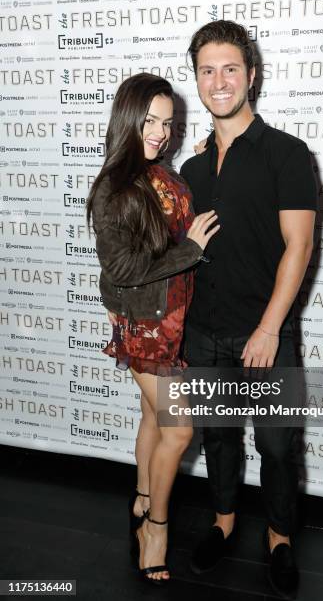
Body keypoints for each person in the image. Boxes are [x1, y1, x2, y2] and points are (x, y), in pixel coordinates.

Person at [180, 21, 317, 597]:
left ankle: (280, 538)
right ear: (197, 79)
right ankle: (224, 522)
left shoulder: (287, 153)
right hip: (203, 331)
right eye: (207, 70)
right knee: (218, 437)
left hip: (266, 334)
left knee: (279, 444)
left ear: (251, 76)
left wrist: (268, 329)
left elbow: (300, 246)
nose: (219, 80)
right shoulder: (189, 171)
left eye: (230, 68)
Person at [86, 73, 219, 586]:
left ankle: (143, 494)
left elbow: (167, 216)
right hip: (144, 326)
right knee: (179, 427)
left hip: (174, 316)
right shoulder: (114, 187)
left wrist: (201, 158)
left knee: (150, 414)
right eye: (150, 121)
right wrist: (192, 250)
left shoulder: (163, 172)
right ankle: (156, 531)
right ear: (127, 118)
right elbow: (120, 268)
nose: (161, 132)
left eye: (167, 122)